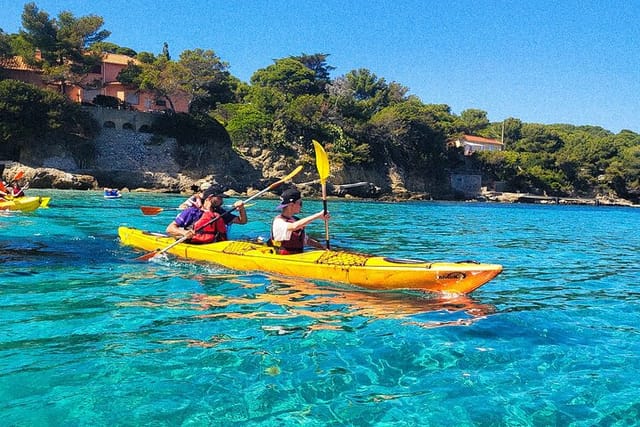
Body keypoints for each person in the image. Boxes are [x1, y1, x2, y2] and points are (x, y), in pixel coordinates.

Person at [166, 185, 247, 242]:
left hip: (215, 245)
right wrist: (184, 232)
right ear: (210, 197)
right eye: (219, 198)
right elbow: (169, 229)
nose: (222, 201)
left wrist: (241, 208)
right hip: (195, 244)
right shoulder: (192, 211)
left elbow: (242, 221)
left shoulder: (220, 212)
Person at [270, 188, 329, 254]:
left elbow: (306, 240)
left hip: (298, 256)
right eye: (300, 203)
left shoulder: (296, 220)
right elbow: (293, 227)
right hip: (282, 257)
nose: (301, 206)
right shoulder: (278, 222)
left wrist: (323, 247)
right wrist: (318, 215)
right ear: (291, 205)